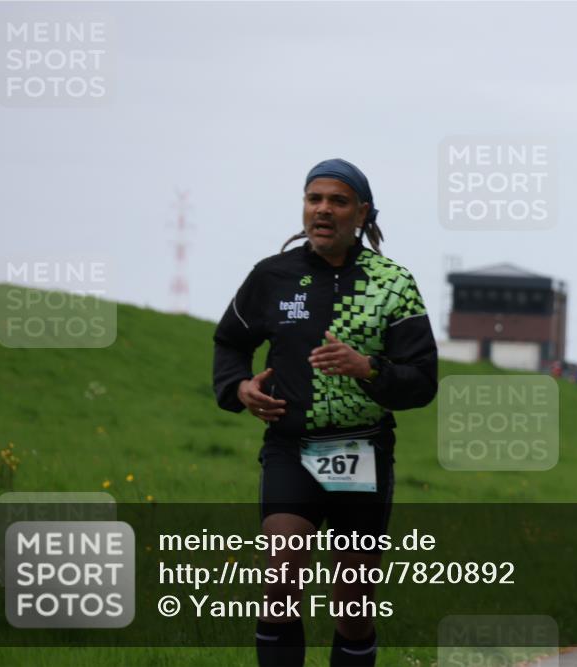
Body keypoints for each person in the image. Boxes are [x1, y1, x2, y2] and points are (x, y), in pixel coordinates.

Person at [212, 158, 438, 667]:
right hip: (291, 446)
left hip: (362, 449)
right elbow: (230, 343)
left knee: (353, 606)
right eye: (314, 199)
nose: (323, 210)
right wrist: (240, 387)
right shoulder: (272, 276)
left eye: (337, 201)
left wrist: (368, 369)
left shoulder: (392, 284)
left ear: (361, 213)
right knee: (280, 577)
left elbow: (423, 381)